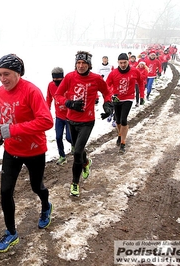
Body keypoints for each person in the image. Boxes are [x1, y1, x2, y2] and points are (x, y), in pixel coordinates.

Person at [0, 54, 54, 252]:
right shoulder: (0, 93)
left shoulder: (32, 91)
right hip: (12, 150)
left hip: (34, 150)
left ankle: (46, 206)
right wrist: (0, 133)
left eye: (7, 74)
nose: (3, 79)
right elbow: (5, 117)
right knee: (5, 191)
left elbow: (46, 121)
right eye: (0, 74)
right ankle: (11, 233)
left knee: (37, 187)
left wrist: (13, 130)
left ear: (18, 73)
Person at [55, 51, 113, 197]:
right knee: (77, 149)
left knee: (76, 152)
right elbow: (58, 95)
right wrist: (69, 103)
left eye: (84, 63)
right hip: (71, 120)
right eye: (78, 63)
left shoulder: (96, 78)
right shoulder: (69, 77)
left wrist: (107, 105)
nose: (81, 66)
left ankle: (75, 183)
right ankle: (86, 162)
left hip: (87, 121)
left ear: (89, 65)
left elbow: (107, 92)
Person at [106, 53, 142, 153]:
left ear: (128, 61)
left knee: (123, 120)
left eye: (124, 62)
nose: (122, 65)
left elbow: (140, 82)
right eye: (121, 63)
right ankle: (120, 134)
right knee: (117, 121)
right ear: (118, 62)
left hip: (128, 98)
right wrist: (110, 95)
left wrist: (142, 96)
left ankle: (123, 143)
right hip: (117, 98)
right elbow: (107, 85)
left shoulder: (134, 71)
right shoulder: (113, 73)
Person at [45, 67, 72, 165]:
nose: (56, 82)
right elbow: (49, 98)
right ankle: (62, 156)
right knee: (58, 137)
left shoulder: (68, 84)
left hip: (69, 116)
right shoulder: (50, 85)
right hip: (59, 116)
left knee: (69, 138)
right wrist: (46, 110)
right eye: (54, 80)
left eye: (59, 80)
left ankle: (74, 146)